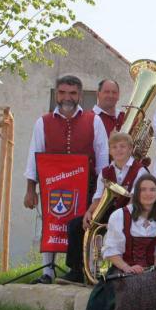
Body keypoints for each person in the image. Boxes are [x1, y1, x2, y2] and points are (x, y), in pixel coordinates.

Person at [23, 75, 109, 284]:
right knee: (52, 223)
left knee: (83, 226)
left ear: (79, 95)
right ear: (57, 94)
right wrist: (30, 189)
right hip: (53, 184)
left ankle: (83, 271)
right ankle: (48, 272)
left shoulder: (94, 120)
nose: (66, 97)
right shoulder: (42, 122)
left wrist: (102, 191)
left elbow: (102, 158)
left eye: (72, 93)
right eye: (62, 93)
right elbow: (35, 154)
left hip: (86, 184)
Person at [79, 175, 156, 310]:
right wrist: (127, 268)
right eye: (143, 189)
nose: (148, 193)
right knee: (134, 284)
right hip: (122, 267)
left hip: (151, 269)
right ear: (136, 193)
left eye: (152, 190)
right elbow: (112, 251)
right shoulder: (120, 216)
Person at [64, 132, 148, 284]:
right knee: (75, 225)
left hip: (131, 213)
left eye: (122, 146)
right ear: (110, 151)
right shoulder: (105, 171)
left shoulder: (140, 170)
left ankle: (116, 270)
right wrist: (89, 213)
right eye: (114, 147)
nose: (118, 150)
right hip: (109, 210)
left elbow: (135, 201)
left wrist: (118, 220)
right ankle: (77, 271)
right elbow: (98, 197)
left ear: (130, 149)